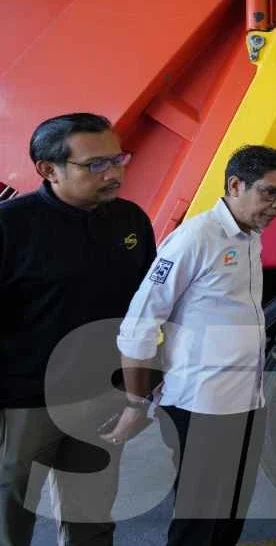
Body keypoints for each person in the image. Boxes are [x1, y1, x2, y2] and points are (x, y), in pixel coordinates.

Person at [112, 145, 276, 546]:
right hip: (201, 404)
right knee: (199, 517)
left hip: (246, 401)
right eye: (268, 192)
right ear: (234, 184)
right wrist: (136, 400)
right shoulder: (195, 238)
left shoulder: (250, 237)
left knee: (231, 510)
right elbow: (140, 322)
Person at [0, 113, 155, 546]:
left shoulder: (130, 222)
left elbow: (143, 316)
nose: (114, 173)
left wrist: (138, 393)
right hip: (23, 407)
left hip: (101, 401)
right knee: (9, 520)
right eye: (96, 165)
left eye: (118, 159)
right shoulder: (11, 227)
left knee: (91, 519)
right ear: (49, 171)